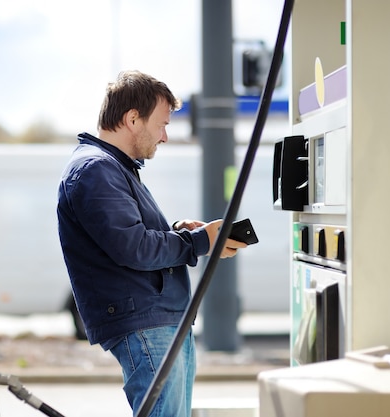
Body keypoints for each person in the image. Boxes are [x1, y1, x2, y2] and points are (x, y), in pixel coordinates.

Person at [57, 70, 248, 417]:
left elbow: (128, 237)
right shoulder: (96, 170)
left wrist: (178, 231)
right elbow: (134, 247)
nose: (164, 137)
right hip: (145, 320)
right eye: (161, 124)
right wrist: (197, 242)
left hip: (156, 318)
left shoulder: (113, 168)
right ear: (132, 119)